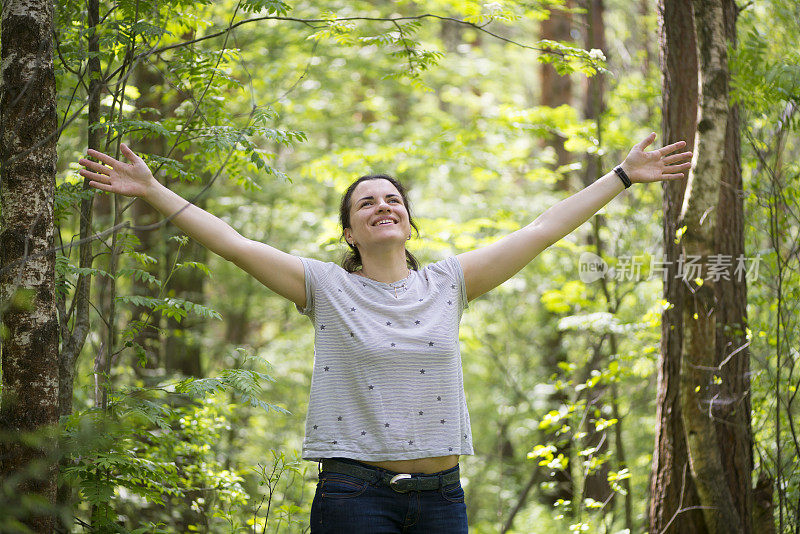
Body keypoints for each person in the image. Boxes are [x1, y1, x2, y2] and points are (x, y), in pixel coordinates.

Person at [79, 133, 691, 533]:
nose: (382, 206)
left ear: (408, 221)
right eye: (366, 203)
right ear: (350, 232)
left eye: (392, 199)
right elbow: (234, 244)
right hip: (354, 495)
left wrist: (622, 176)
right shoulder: (324, 287)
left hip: (441, 497)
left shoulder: (451, 283)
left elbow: (541, 229)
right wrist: (154, 191)